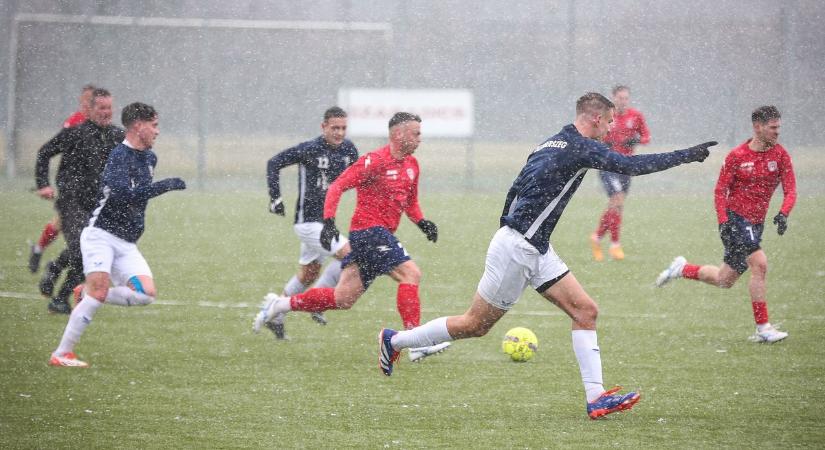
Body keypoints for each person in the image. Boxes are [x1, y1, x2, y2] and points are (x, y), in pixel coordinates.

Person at [376, 93, 716, 419]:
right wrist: (686, 155)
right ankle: (396, 340)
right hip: (520, 248)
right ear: (595, 118)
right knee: (475, 325)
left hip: (533, 246)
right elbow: (630, 165)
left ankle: (596, 398)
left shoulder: (553, 141)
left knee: (585, 311)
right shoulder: (581, 147)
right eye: (609, 122)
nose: (612, 128)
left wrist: (510, 227)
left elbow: (516, 186)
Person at [254, 112, 450, 362]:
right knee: (411, 273)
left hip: (377, 235)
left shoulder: (412, 165)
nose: (420, 138)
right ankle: (416, 340)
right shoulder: (374, 161)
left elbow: (410, 201)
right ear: (399, 134)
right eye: (416, 133)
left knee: (342, 298)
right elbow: (338, 186)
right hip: (369, 232)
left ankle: (279, 305)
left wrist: (422, 222)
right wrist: (328, 222)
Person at [48, 102, 186, 368]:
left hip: (126, 242)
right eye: (154, 125)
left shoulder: (149, 157)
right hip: (101, 235)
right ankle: (62, 354)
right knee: (98, 294)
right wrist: (163, 187)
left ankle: (84, 292)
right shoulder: (118, 158)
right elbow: (123, 196)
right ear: (138, 126)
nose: (157, 132)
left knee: (146, 294)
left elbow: (137, 200)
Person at [655, 105, 795, 344]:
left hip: (755, 224)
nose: (777, 132)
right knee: (759, 265)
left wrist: (783, 213)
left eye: (778, 128)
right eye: (773, 128)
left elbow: (791, 190)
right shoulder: (737, 156)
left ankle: (681, 268)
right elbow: (720, 191)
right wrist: (723, 221)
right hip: (735, 221)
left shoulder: (780, 155)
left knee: (724, 279)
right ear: (758, 127)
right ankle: (763, 328)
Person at [264, 106, 359, 338]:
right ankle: (317, 301)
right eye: (334, 128)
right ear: (323, 127)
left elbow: (362, 177)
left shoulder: (348, 150)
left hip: (326, 223)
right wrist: (275, 197)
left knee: (308, 274)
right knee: (352, 257)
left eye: (343, 128)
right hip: (308, 222)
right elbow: (273, 163)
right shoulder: (310, 149)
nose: (339, 133)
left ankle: (275, 314)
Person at [34, 88, 125, 314]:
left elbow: (133, 158)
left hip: (99, 205)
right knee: (83, 252)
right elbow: (44, 153)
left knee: (90, 252)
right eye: (101, 108)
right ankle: (61, 293)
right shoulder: (75, 133)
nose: (106, 112)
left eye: (109, 108)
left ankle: (58, 282)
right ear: (90, 109)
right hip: (72, 202)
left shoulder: (117, 135)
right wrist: (43, 184)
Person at [29, 84, 97, 273]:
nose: (88, 105)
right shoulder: (74, 124)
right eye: (86, 101)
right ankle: (60, 274)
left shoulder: (102, 127)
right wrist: (43, 184)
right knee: (82, 235)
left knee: (77, 229)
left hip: (91, 187)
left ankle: (47, 259)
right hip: (72, 186)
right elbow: (48, 151)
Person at [590, 85, 651, 261]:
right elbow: (593, 134)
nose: (623, 101)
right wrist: (602, 143)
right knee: (616, 198)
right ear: (613, 98)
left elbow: (647, 136)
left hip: (626, 167)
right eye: (620, 98)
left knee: (617, 205)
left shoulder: (636, 116)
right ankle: (615, 244)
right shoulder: (606, 115)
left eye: (625, 98)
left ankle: (597, 237)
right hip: (607, 165)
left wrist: (637, 139)